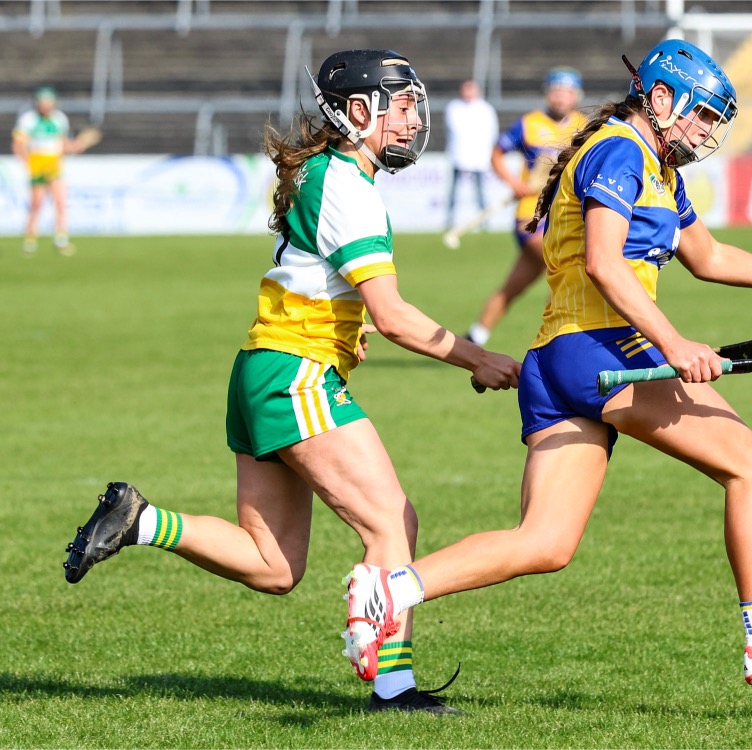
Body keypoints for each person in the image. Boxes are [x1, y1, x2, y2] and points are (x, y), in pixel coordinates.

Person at [343, 40, 752, 694]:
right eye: (704, 115)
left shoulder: (656, 165)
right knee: (751, 464)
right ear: (661, 99)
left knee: (545, 542)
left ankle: (390, 588)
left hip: (557, 361)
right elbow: (603, 262)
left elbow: (708, 255)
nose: (709, 131)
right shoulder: (621, 151)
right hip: (601, 348)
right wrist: (674, 342)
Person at [61, 49, 519, 715]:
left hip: (261, 369)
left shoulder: (328, 174)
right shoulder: (348, 187)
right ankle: (392, 688)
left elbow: (320, 279)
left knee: (274, 567)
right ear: (357, 112)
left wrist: (346, 322)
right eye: (401, 105)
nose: (414, 118)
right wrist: (477, 358)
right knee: (392, 522)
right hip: (293, 373)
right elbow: (394, 316)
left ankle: (141, 520)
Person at [464, 66, 588, 347]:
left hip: (564, 216)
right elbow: (497, 153)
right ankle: (561, 336)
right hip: (531, 217)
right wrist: (513, 183)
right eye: (556, 90)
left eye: (567, 91)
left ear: (576, 96)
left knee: (513, 288)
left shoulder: (585, 125)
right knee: (565, 266)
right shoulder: (529, 123)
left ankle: (474, 337)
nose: (560, 97)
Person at [11, 87, 93, 256]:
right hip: (37, 166)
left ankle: (61, 240)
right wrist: (27, 163)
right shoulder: (29, 120)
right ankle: (30, 240)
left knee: (60, 203)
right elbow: (18, 144)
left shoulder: (59, 119)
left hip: (55, 166)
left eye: (49, 102)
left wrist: (74, 147)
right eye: (43, 102)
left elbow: (63, 144)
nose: (46, 105)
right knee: (36, 204)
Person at [444, 79, 499, 232]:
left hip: (479, 156)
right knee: (453, 192)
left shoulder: (486, 109)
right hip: (458, 155)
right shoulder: (454, 108)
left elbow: (491, 133)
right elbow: (453, 130)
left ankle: (484, 222)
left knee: (480, 193)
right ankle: (449, 221)